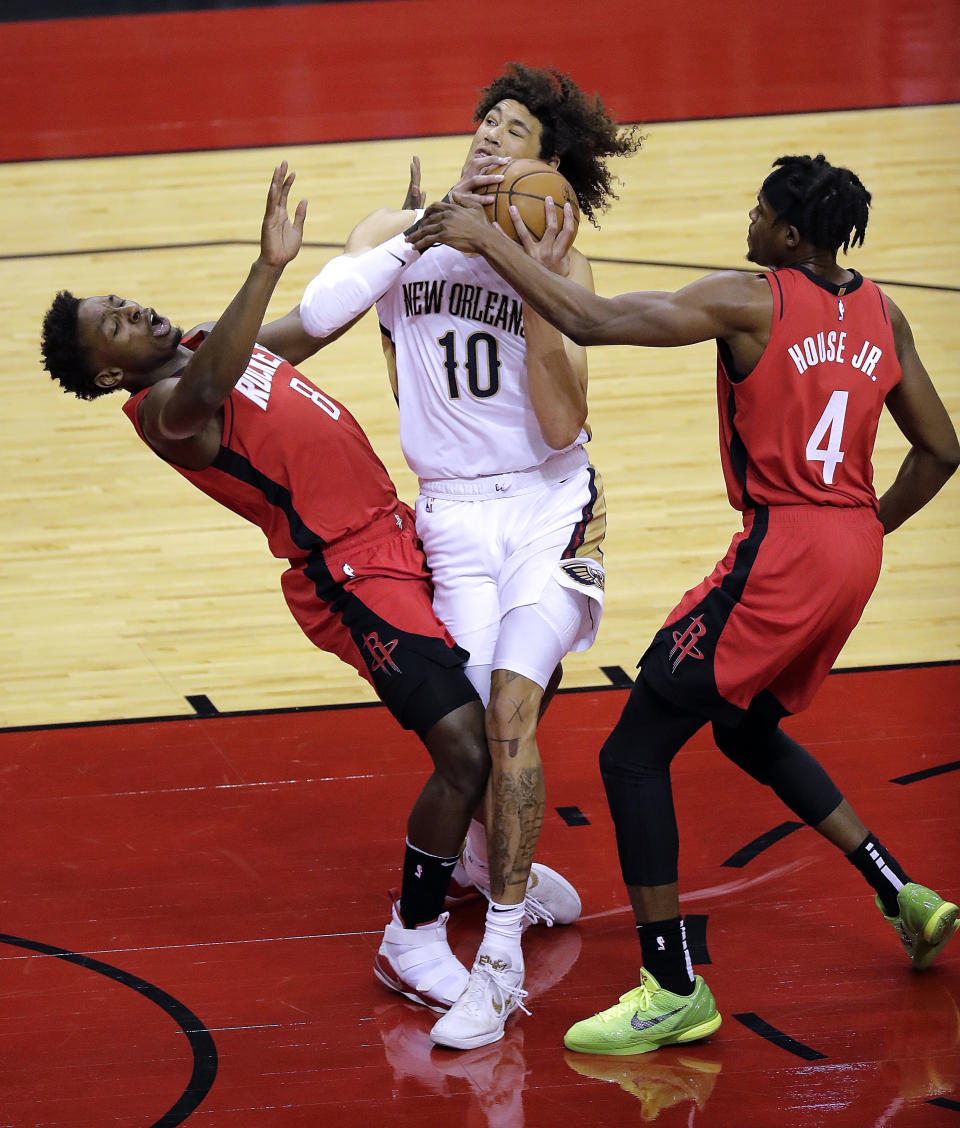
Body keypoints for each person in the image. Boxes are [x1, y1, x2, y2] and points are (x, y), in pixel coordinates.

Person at [408, 152, 960, 1054]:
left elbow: (589, 316)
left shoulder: (752, 299)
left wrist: (481, 238)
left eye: (758, 209)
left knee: (634, 754)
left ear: (786, 235)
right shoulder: (883, 312)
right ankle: (904, 893)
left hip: (782, 550)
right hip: (851, 551)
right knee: (746, 730)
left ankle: (670, 986)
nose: (748, 219)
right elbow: (941, 450)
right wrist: (859, 532)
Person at [39, 163, 495, 1016]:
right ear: (109, 376)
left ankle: (474, 861)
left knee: (490, 710)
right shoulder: (166, 409)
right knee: (464, 747)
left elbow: (312, 328)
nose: (133, 310)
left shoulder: (211, 340)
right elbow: (211, 386)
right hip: (351, 575)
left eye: (122, 300)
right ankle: (413, 940)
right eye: (114, 325)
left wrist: (409, 240)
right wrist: (267, 261)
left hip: (398, 533)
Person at [298, 62, 643, 1050]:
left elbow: (562, 419)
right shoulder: (393, 236)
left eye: (517, 132)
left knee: (512, 710)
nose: (491, 137)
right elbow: (320, 321)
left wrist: (520, 263)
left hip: (548, 505)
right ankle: (494, 860)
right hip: (448, 515)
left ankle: (495, 966)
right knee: (484, 717)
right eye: (486, 121)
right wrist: (413, 233)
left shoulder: (559, 264)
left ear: (549, 172)